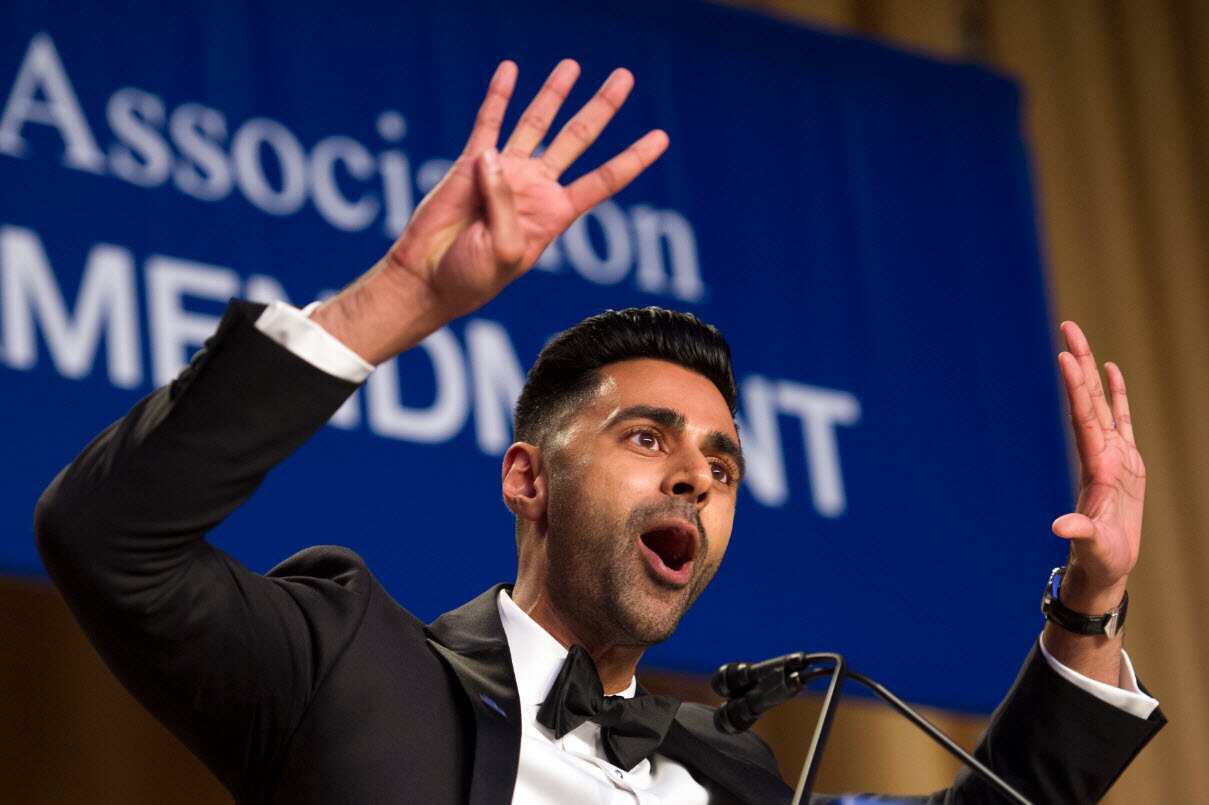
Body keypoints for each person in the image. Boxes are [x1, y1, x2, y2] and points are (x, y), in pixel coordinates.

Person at [35, 60, 1164, 804]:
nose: (696, 476)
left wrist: (1091, 597)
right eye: (647, 438)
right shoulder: (350, 669)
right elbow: (109, 538)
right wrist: (398, 299)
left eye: (722, 463)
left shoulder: (734, 779)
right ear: (527, 476)